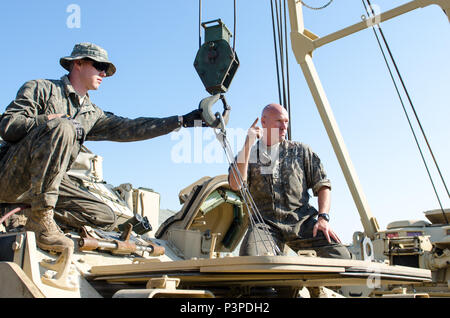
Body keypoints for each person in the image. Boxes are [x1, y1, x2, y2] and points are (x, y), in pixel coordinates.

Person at [0, 42, 204, 253]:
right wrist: (47, 120)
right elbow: (7, 125)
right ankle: (41, 220)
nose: (104, 74)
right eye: (99, 66)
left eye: (105, 69)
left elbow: (132, 127)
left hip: (50, 182)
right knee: (64, 127)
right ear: (77, 63)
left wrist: (184, 121)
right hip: (13, 175)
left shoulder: (91, 113)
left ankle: (28, 214)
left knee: (104, 216)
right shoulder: (42, 88)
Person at [228, 103, 350, 259]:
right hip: (265, 225)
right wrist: (247, 144)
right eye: (279, 121)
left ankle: (310, 282)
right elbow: (235, 184)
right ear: (264, 123)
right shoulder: (248, 156)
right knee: (251, 259)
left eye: (286, 121)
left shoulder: (301, 150)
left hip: (302, 223)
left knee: (342, 258)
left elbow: (323, 185)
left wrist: (323, 218)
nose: (284, 126)